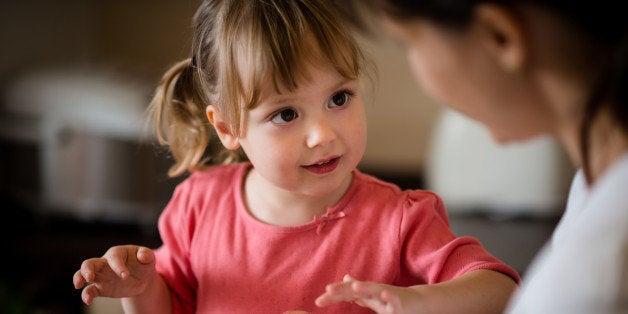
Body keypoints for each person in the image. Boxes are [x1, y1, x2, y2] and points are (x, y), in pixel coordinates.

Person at [72, 0, 520, 313]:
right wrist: (141, 288)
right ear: (227, 127)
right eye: (286, 113)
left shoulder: (400, 222)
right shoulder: (197, 207)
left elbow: (501, 292)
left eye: (339, 98)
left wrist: (414, 302)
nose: (323, 134)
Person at [317, 0, 628, 313]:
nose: (320, 135)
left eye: (409, 42)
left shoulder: (595, 283)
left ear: (500, 36)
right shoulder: (596, 193)